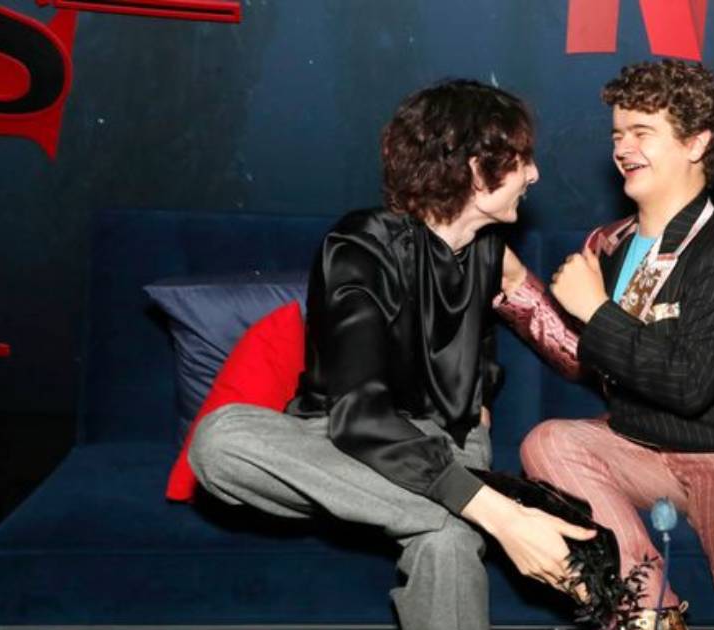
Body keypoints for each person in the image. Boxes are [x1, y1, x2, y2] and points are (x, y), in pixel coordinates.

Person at [187, 79, 594, 630]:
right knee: (220, 441)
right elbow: (358, 415)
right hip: (339, 438)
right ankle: (470, 507)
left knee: (446, 540)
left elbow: (571, 352)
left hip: (449, 441)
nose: (535, 175)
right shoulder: (360, 248)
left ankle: (462, 504)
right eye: (522, 160)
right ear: (478, 172)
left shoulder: (495, 256)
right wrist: (503, 516)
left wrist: (599, 314)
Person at [498, 60, 714, 630]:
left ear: (696, 143)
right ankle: (650, 613)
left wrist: (595, 309)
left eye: (642, 132)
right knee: (549, 441)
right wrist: (518, 287)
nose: (623, 147)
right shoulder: (609, 245)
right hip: (641, 446)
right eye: (618, 133)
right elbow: (586, 357)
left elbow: (689, 385)